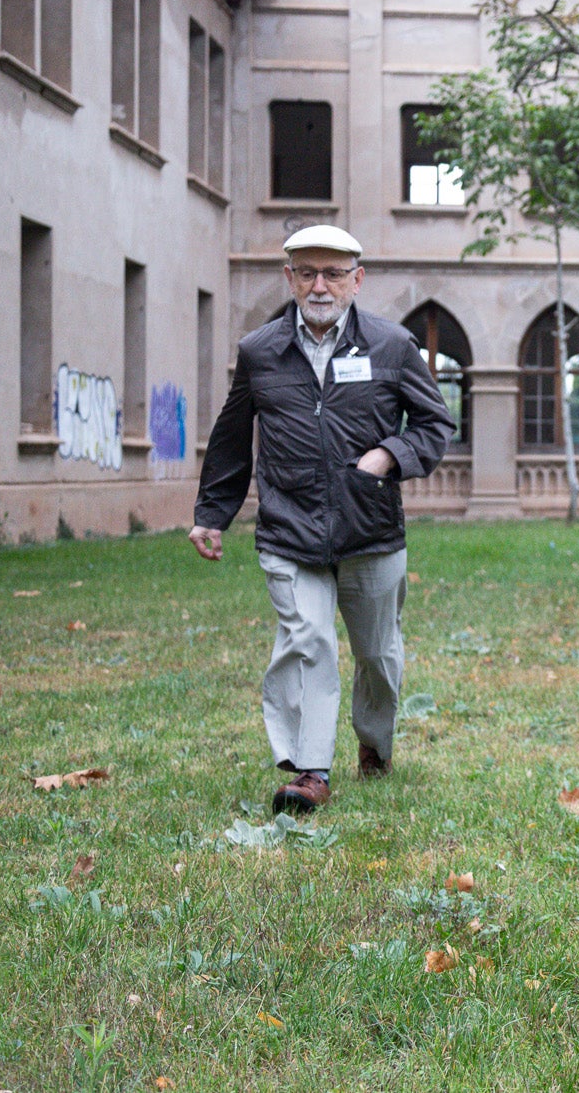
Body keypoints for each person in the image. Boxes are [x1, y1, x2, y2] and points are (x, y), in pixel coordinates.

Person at [188, 225, 456, 814]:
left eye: (333, 274)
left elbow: (435, 424)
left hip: (371, 531)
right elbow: (232, 437)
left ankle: (375, 744)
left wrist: (389, 455)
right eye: (307, 273)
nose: (319, 286)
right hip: (289, 529)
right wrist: (212, 513)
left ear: (357, 280)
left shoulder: (392, 346)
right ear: (289, 278)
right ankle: (310, 771)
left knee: (378, 656)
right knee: (307, 642)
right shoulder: (260, 350)